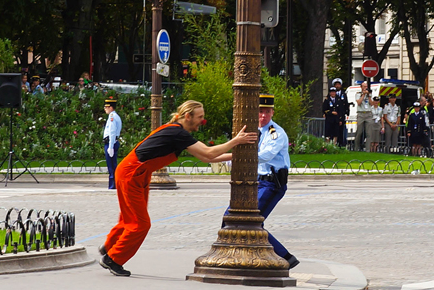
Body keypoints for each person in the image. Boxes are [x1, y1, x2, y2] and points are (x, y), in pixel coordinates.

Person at [99, 100, 257, 276]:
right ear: (187, 116)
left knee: (130, 218)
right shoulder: (177, 133)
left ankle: (109, 246)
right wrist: (235, 142)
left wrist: (239, 156)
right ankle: (112, 258)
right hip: (132, 174)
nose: (202, 121)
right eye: (200, 117)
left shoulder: (176, 131)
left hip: (135, 173)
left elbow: (207, 158)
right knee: (140, 224)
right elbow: (208, 153)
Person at [236, 94, 299, 269]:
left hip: (272, 184)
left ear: (272, 113)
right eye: (260, 111)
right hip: (256, 183)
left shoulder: (275, 133)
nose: (263, 116)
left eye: (267, 112)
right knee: (230, 218)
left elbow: (265, 156)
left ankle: (285, 257)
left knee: (251, 221)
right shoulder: (251, 130)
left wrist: (237, 157)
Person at [103, 98, 122, 189]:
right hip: (112, 142)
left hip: (111, 142)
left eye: (106, 107)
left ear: (111, 107)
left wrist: (110, 146)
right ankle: (114, 184)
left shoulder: (112, 117)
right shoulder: (114, 116)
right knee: (112, 165)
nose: (105, 109)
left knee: (111, 166)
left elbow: (112, 132)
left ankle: (113, 185)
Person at [354, 81, 374, 151]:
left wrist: (368, 96)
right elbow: (359, 103)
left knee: (369, 133)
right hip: (361, 114)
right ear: (361, 87)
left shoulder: (370, 94)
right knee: (359, 132)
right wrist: (363, 95)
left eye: (366, 87)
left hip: (368, 114)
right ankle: (356, 148)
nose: (366, 88)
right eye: (364, 86)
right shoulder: (358, 94)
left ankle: (367, 149)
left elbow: (372, 104)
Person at [332, 78, 349, 145]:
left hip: (341, 115)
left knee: (341, 130)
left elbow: (346, 104)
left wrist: (347, 112)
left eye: (339, 84)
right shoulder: (332, 94)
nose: (337, 86)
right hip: (334, 115)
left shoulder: (343, 94)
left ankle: (341, 144)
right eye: (336, 84)